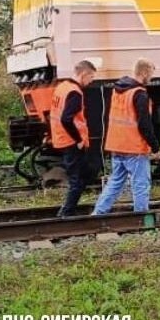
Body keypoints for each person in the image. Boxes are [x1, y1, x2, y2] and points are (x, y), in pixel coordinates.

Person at [92, 58, 160, 214]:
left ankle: (98, 213)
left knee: (115, 182)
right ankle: (141, 216)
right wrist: (155, 148)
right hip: (134, 147)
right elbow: (144, 124)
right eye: (151, 74)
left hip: (116, 145)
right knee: (141, 183)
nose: (151, 78)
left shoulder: (118, 91)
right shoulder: (140, 94)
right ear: (144, 72)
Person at [52, 60, 97, 217]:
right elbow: (66, 118)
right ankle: (66, 214)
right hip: (72, 142)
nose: (91, 81)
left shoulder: (62, 87)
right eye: (91, 77)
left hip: (62, 139)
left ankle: (67, 211)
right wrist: (78, 139)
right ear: (84, 74)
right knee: (77, 181)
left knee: (82, 176)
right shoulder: (75, 92)